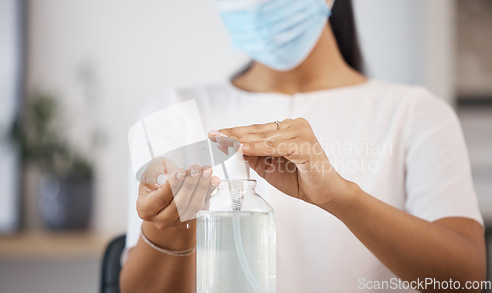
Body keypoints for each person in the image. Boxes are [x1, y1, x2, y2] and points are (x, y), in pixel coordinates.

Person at [120, 0, 486, 292]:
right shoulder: (172, 117)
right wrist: (165, 229)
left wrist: (341, 198)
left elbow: (465, 281)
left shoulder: (415, 113)